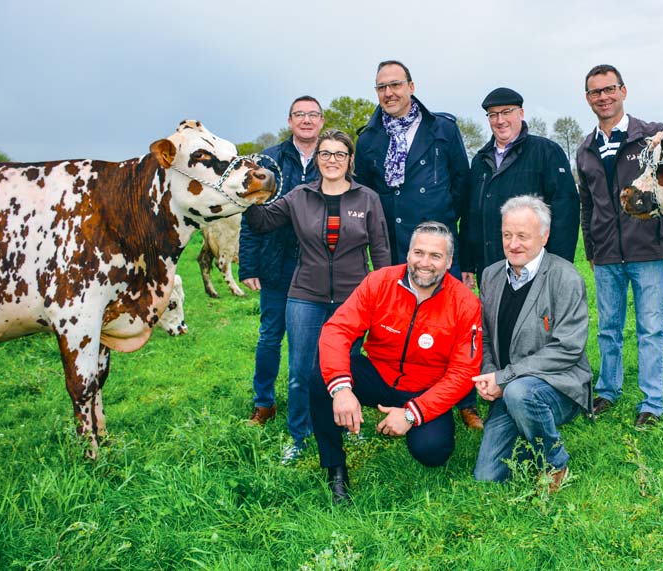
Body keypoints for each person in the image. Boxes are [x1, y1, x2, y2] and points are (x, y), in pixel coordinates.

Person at [243, 130, 391, 464]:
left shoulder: (367, 198)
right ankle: (300, 436)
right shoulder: (299, 196)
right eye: (326, 154)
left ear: (349, 160)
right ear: (318, 159)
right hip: (305, 295)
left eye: (340, 154)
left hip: (354, 299)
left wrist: (384, 294)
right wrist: (247, 197)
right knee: (301, 371)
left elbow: (381, 249)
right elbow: (264, 221)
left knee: (346, 370)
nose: (332, 160)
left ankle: (347, 430)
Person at [353, 60, 482, 430]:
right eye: (381, 87)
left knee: (453, 321)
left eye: (395, 85)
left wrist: (442, 222)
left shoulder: (441, 128)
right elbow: (366, 190)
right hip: (394, 244)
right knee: (398, 320)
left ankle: (465, 400)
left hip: (437, 240)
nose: (389, 93)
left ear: (412, 85)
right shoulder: (369, 137)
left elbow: (462, 182)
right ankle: (396, 390)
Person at [315, 221, 482, 503]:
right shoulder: (379, 281)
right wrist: (342, 389)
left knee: (433, 453)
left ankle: (414, 419)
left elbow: (463, 372)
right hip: (379, 373)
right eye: (419, 253)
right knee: (321, 377)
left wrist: (410, 414)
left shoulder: (466, 303)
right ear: (408, 253)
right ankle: (335, 468)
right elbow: (337, 330)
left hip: (426, 388)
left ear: (449, 261)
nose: (424, 263)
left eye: (435, 256)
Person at [473, 196, 591, 492]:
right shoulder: (490, 276)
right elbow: (485, 336)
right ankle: (530, 433)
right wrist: (490, 375)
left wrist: (505, 377)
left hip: (559, 385)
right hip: (507, 388)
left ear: (544, 236)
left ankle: (554, 463)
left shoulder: (566, 277)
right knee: (487, 477)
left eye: (523, 236)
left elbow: (568, 348)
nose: (513, 244)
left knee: (519, 392)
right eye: (507, 235)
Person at [575, 64, 663, 429]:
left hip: (647, 249)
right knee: (608, 327)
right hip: (606, 253)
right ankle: (608, 390)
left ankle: (652, 402)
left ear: (623, 91)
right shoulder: (585, 150)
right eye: (596, 92)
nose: (604, 97)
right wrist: (590, 251)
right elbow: (587, 204)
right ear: (588, 99)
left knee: (650, 328)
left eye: (609, 89)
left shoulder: (651, 137)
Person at [239, 95, 324, 427]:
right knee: (270, 335)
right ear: (289, 121)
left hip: (317, 265)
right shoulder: (269, 160)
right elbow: (252, 214)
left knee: (314, 339)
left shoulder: (332, 158)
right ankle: (264, 402)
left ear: (321, 121)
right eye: (299, 114)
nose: (306, 120)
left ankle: (315, 399)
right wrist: (249, 266)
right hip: (276, 262)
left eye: (312, 115)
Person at [460, 87, 579, 288]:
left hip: (533, 268)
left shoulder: (546, 152)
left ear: (521, 113)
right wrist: (468, 263)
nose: (500, 120)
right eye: (493, 115)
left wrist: (559, 267)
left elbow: (565, 212)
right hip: (490, 268)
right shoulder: (480, 161)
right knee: (492, 318)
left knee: (533, 318)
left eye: (507, 112)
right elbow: (471, 215)